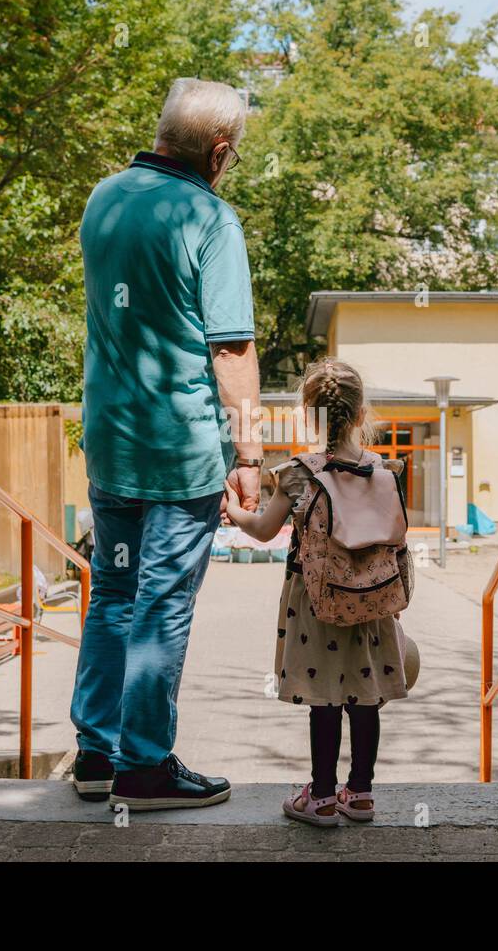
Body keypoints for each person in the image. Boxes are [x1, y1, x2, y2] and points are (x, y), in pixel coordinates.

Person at [70, 77, 263, 810]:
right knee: (163, 603)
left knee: (113, 594)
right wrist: (248, 459)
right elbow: (231, 351)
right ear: (218, 152)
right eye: (233, 157)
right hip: (178, 453)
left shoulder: (103, 199)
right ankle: (145, 767)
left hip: (110, 441)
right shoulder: (210, 219)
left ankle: (96, 754)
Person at [223, 359, 409, 826]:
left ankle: (321, 797)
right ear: (362, 413)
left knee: (325, 695)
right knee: (365, 695)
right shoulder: (384, 470)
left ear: (311, 416)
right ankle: (361, 794)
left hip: (317, 602)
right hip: (372, 602)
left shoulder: (299, 472)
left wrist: (233, 510)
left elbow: (265, 530)